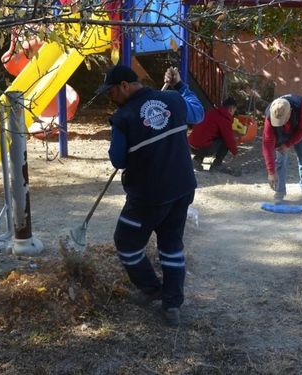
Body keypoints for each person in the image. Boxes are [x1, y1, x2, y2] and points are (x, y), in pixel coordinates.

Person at [97, 64, 204, 326]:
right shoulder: (173, 100)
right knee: (171, 246)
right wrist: (180, 86)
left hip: (147, 196)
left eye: (110, 92)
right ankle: (172, 305)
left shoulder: (123, 117)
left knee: (126, 243)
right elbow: (198, 113)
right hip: (181, 189)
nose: (110, 98)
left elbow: (118, 160)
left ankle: (152, 289)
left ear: (123, 86)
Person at [262, 94, 302, 202]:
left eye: (282, 120)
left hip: (300, 130)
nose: (279, 123)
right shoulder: (269, 115)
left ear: (290, 112)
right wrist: (271, 172)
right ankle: (280, 190)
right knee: (280, 161)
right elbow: (267, 144)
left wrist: (288, 144)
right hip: (281, 134)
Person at [188, 97, 240, 175]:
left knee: (207, 136)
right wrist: (235, 152)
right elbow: (229, 139)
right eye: (234, 110)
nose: (233, 113)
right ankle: (217, 165)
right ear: (231, 109)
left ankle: (197, 160)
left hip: (191, 145)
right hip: (203, 148)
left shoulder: (211, 112)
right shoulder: (224, 118)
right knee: (224, 140)